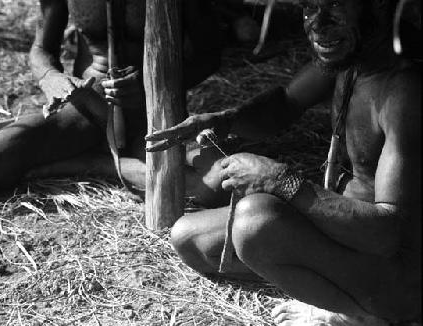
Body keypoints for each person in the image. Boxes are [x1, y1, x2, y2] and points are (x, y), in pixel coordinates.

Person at [145, 0, 421, 325]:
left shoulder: (405, 92)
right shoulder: (350, 60)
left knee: (253, 223)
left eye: (334, 7)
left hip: (403, 274)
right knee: (190, 237)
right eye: (309, 8)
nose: (318, 24)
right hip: (350, 235)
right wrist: (226, 120)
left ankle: (361, 315)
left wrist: (280, 181)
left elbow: (388, 234)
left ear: (378, 9)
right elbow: (286, 105)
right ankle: (336, 286)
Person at [0, 0, 227, 205]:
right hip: (86, 108)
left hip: (155, 112)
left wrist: (154, 83)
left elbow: (210, 55)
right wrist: (50, 77)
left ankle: (103, 164)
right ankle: (115, 161)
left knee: (214, 187)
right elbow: (41, 49)